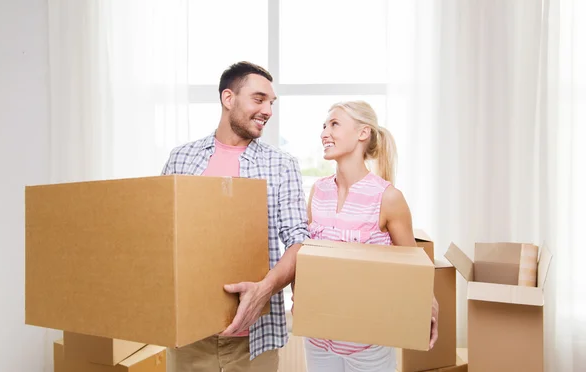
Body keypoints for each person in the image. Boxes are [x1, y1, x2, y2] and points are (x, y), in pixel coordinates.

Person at [161, 61, 309, 372]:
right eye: (259, 99)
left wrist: (264, 289)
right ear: (229, 99)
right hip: (189, 337)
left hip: (254, 342)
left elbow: (299, 242)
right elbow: (161, 235)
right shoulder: (182, 158)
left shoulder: (281, 165)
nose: (268, 110)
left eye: (271, 102)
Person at [297, 101, 439, 372]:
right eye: (324, 125)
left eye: (334, 124)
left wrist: (429, 306)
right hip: (318, 339)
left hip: (368, 345)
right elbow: (307, 254)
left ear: (363, 133)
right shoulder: (318, 190)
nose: (324, 132)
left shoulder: (387, 197)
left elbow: (414, 268)